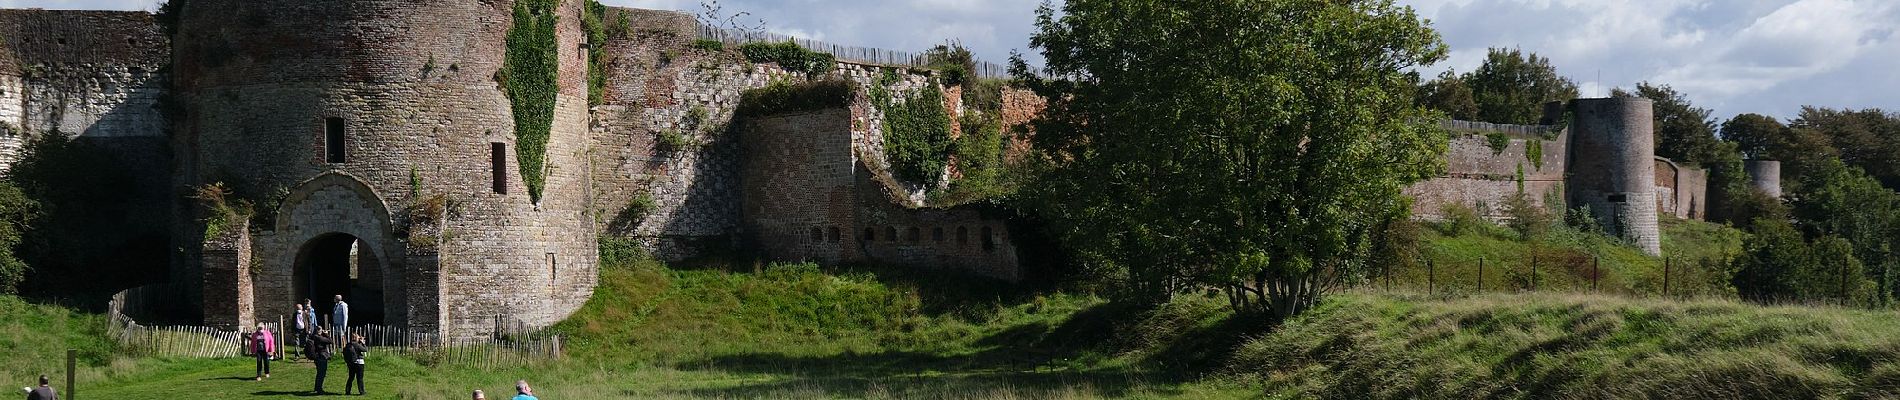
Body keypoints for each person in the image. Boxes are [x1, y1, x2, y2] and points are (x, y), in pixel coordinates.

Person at [309, 327, 335, 395]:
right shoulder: (318, 337)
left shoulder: (313, 336)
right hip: (321, 357)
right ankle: (319, 389)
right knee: (321, 374)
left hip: (317, 357)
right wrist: (326, 334)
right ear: (318, 331)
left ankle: (317, 387)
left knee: (319, 373)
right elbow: (330, 341)